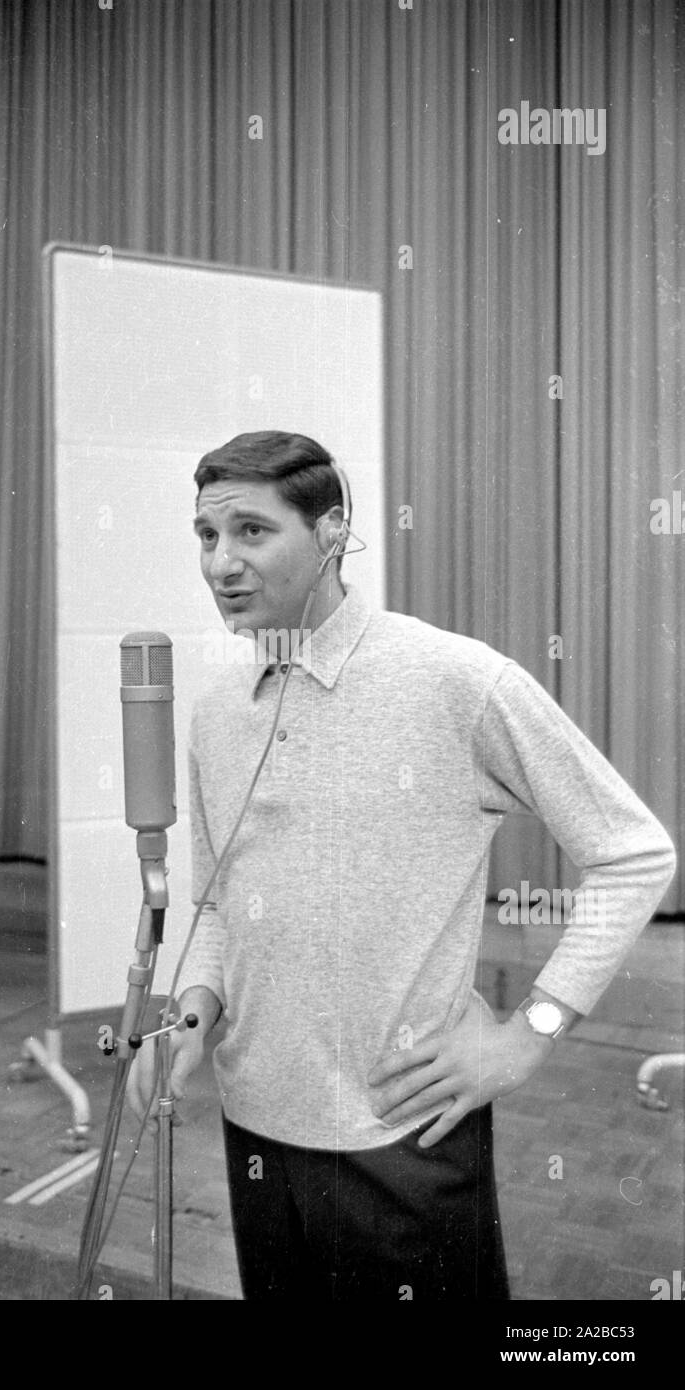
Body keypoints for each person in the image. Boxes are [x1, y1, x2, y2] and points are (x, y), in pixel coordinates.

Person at [127, 430, 677, 1301]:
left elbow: (633, 852)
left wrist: (527, 1035)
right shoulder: (215, 711)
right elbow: (221, 904)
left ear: (332, 531)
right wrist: (191, 1015)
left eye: (251, 532)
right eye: (205, 536)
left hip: (403, 1140)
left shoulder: (452, 678)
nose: (221, 563)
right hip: (257, 1131)